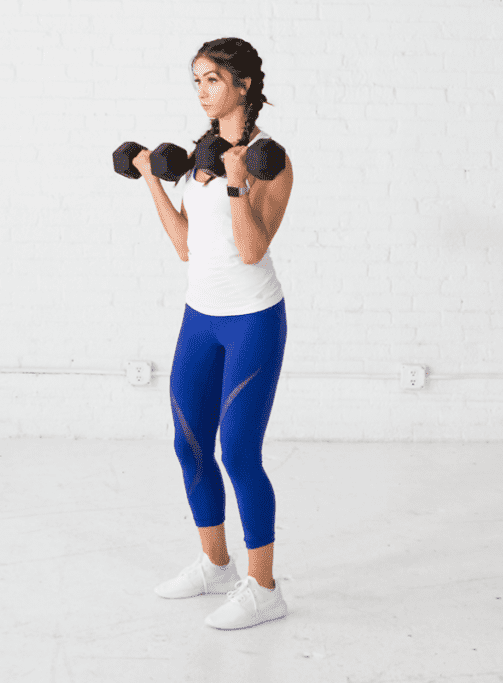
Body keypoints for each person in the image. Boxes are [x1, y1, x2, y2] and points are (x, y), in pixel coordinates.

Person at [131, 37, 294, 630]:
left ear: (243, 86)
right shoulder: (200, 158)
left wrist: (236, 182)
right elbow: (185, 246)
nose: (201, 92)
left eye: (213, 80)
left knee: (240, 453)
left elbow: (251, 251)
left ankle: (265, 589)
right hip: (200, 317)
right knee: (190, 443)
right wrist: (150, 177)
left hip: (252, 320)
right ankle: (216, 565)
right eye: (196, 80)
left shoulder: (269, 160)